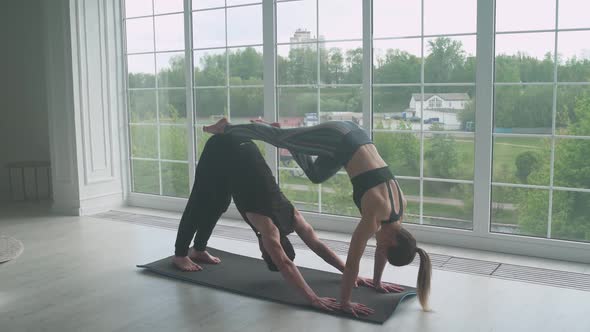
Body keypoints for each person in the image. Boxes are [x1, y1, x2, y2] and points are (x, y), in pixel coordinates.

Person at [204, 118, 432, 316]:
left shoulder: (398, 214)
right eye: (381, 248)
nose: (377, 248)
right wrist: (344, 302)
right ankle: (227, 127)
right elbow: (353, 263)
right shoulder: (374, 214)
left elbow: (381, 251)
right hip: (339, 136)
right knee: (280, 138)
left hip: (354, 140)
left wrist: (377, 282)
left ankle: (278, 132)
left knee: (316, 174)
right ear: (393, 242)